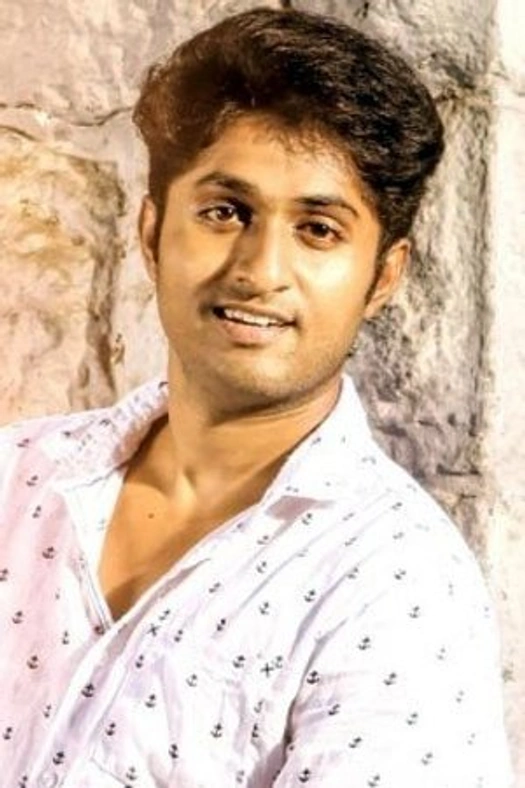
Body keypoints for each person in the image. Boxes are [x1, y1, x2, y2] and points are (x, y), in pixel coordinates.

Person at [0, 7, 512, 787]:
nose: (259, 270)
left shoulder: (394, 583)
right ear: (151, 232)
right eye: (224, 212)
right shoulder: (17, 475)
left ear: (382, 276)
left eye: (318, 229)